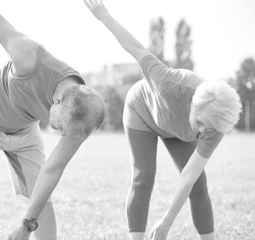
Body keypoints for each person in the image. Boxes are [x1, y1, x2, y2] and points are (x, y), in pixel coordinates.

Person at [84, 1, 242, 240]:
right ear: (193, 103)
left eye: (207, 130)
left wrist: (167, 221)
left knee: (198, 183)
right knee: (144, 175)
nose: (201, 133)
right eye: (199, 123)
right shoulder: (169, 82)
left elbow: (188, 175)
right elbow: (134, 47)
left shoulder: (217, 123)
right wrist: (104, 16)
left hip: (174, 129)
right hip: (143, 112)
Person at [0, 0, 106, 239]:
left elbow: (52, 172)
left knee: (40, 193)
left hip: (21, 124)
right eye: (59, 128)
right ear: (56, 100)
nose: (60, 133)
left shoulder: (81, 118)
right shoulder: (28, 56)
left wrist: (26, 226)